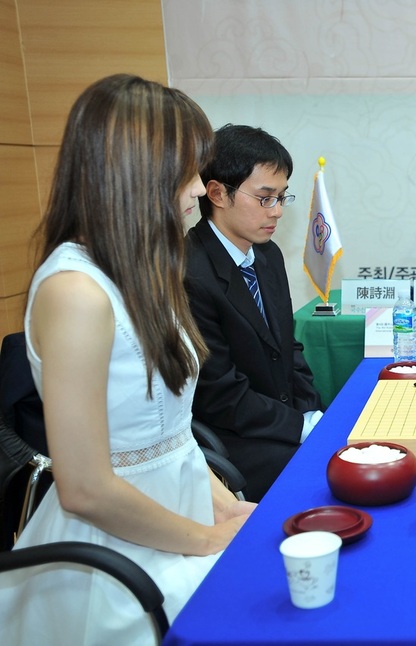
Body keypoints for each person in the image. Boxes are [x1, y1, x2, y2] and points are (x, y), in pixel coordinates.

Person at [0, 74, 255, 644]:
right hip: (113, 554)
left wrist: (229, 510)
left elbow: (171, 437)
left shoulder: (140, 272)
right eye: (190, 170)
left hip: (175, 519)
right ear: (141, 170)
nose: (198, 188)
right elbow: (86, 488)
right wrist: (210, 540)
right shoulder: (75, 290)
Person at [184, 124, 324, 502]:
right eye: (265, 198)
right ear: (217, 193)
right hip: (231, 438)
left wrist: (309, 412)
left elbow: (288, 347)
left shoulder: (266, 254)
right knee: (326, 474)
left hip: (277, 423)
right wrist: (300, 426)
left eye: (281, 197)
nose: (277, 211)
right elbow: (219, 394)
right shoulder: (189, 272)